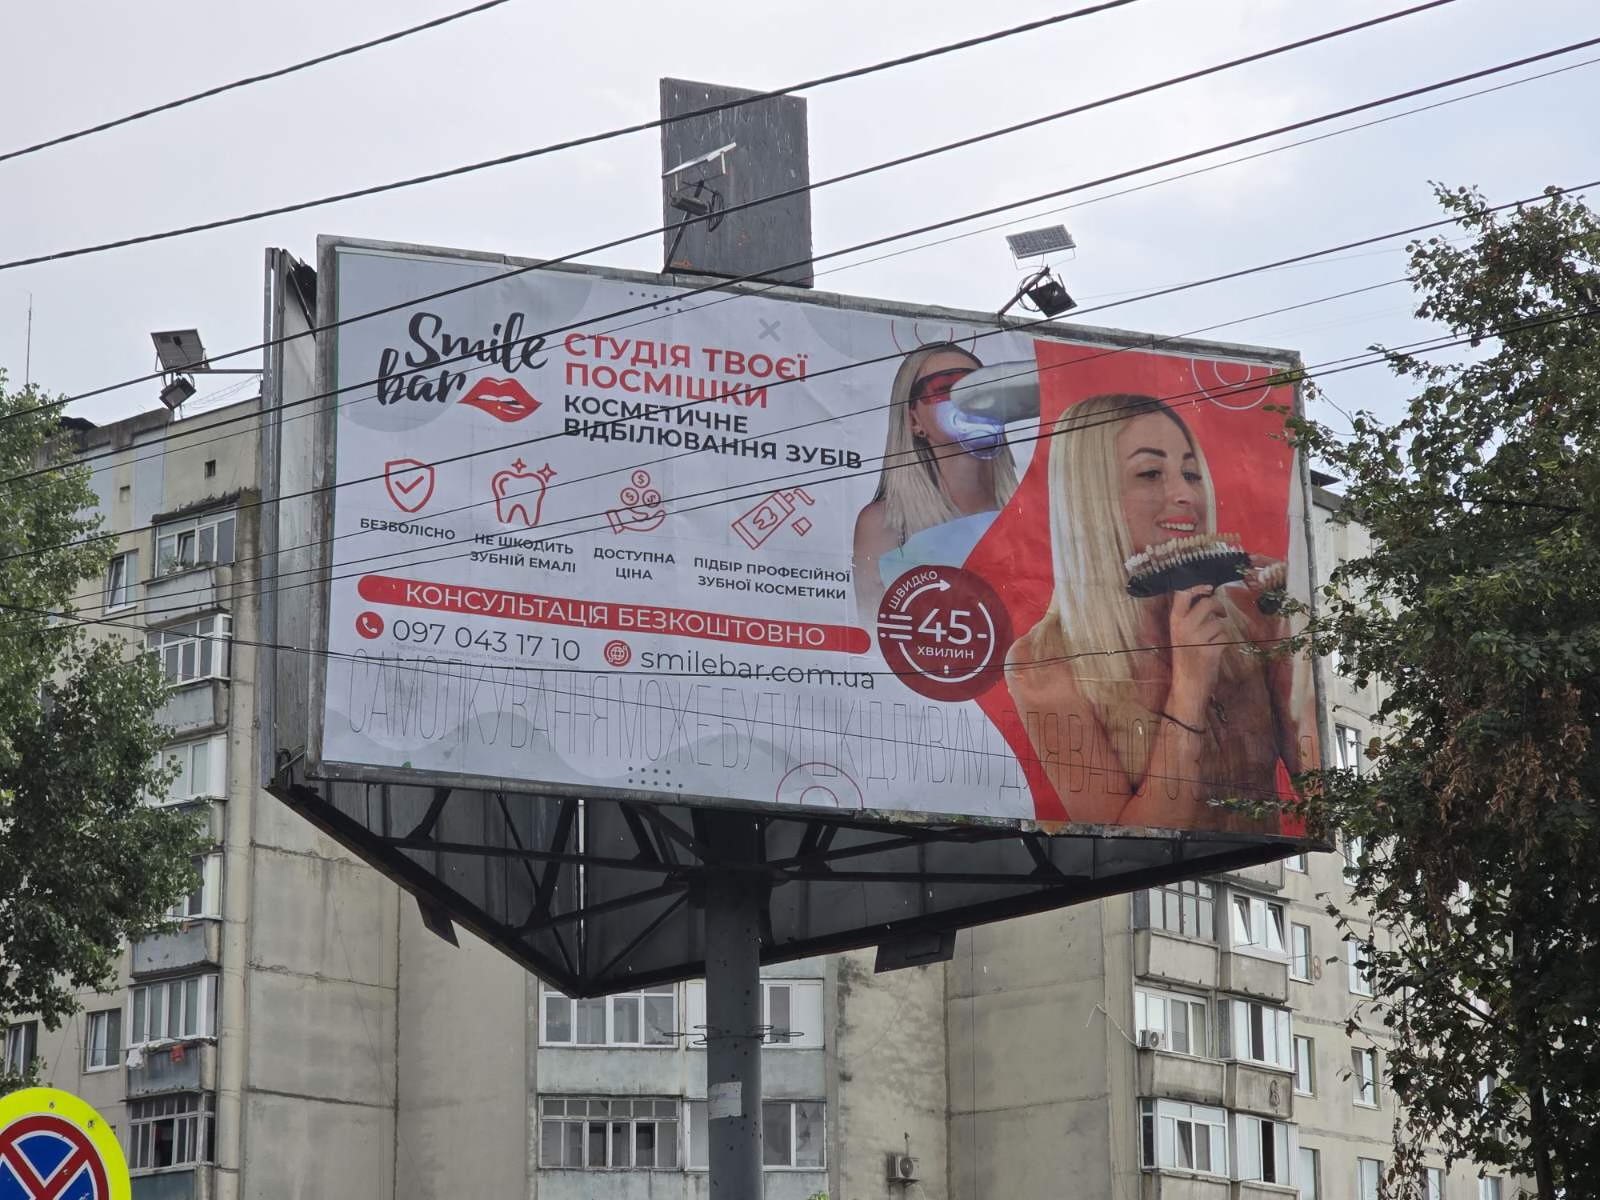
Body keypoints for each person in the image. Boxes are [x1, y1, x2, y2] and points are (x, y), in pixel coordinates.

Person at [1004, 392, 1316, 831]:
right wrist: (1189, 684)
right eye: (1150, 474)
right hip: (1148, 877)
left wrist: (1295, 638)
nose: (1186, 495)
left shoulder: (1250, 614)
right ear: (1091, 498)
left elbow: (1324, 794)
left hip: (1265, 866)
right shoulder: (1042, 662)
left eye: (1191, 473)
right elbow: (1121, 843)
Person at [853, 343, 1020, 623]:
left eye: (981, 386)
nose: (970, 399)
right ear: (914, 420)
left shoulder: (1035, 518)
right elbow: (871, 631)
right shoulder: (886, 524)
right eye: (945, 389)